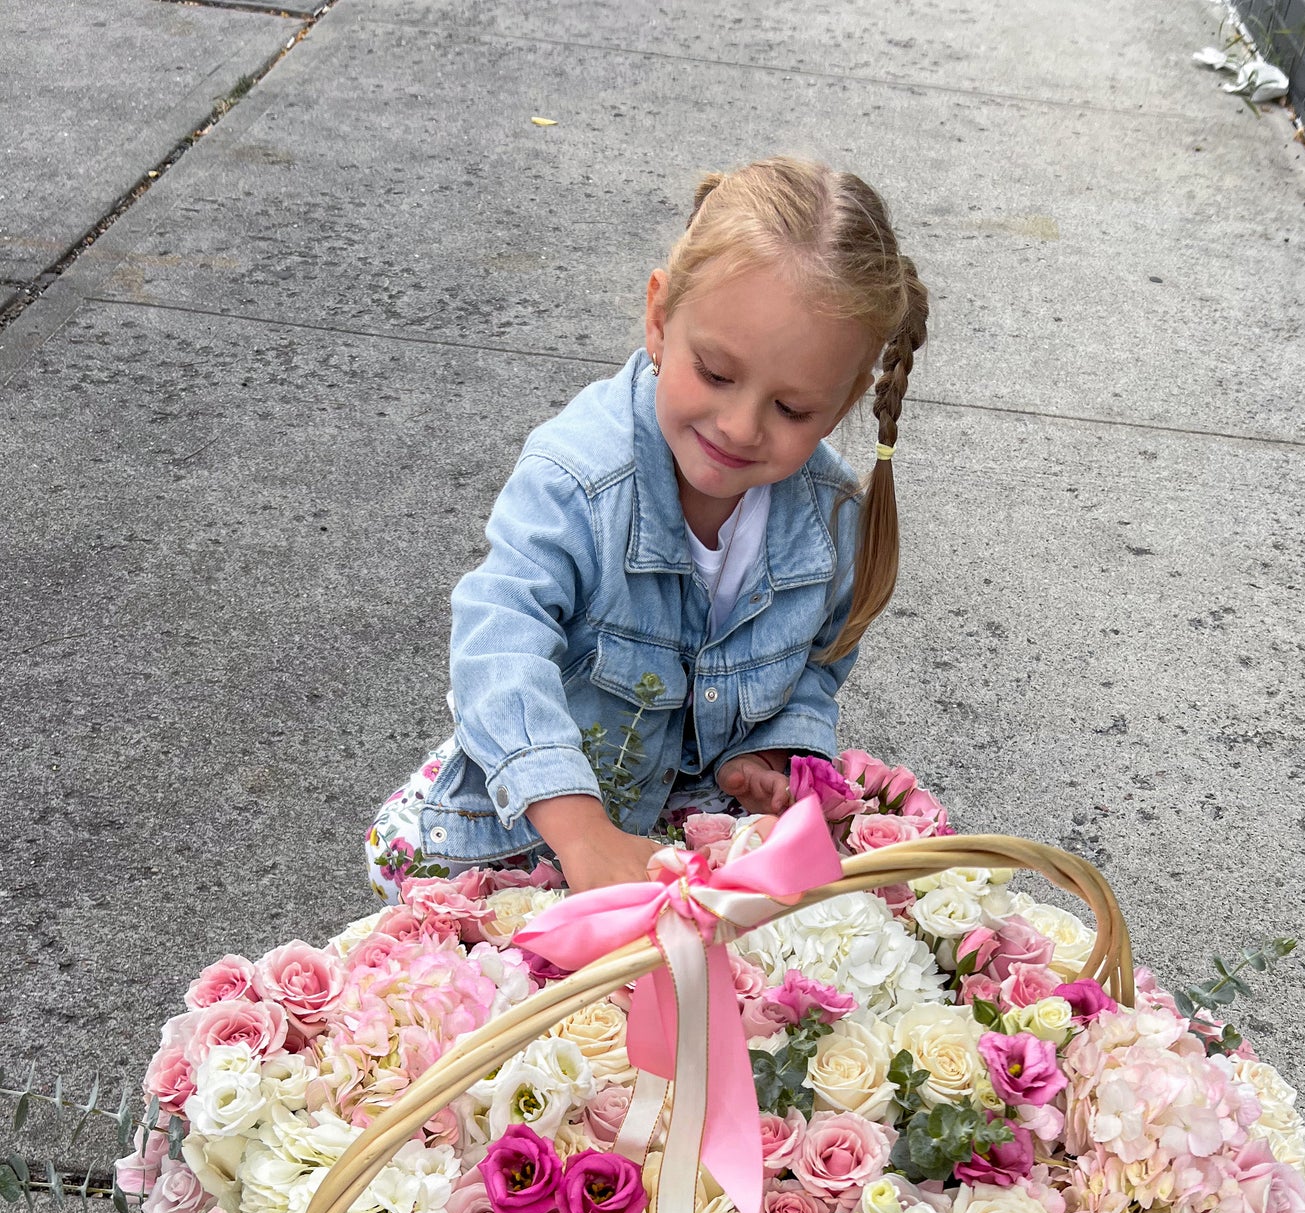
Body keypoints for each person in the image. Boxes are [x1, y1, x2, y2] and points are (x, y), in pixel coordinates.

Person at [366, 155, 929, 899]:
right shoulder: (578, 477)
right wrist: (579, 830)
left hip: (689, 821)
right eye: (716, 373)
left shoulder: (827, 516)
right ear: (660, 318)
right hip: (535, 819)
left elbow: (815, 662)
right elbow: (498, 637)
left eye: (792, 410)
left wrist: (765, 753)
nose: (738, 425)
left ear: (847, 396)